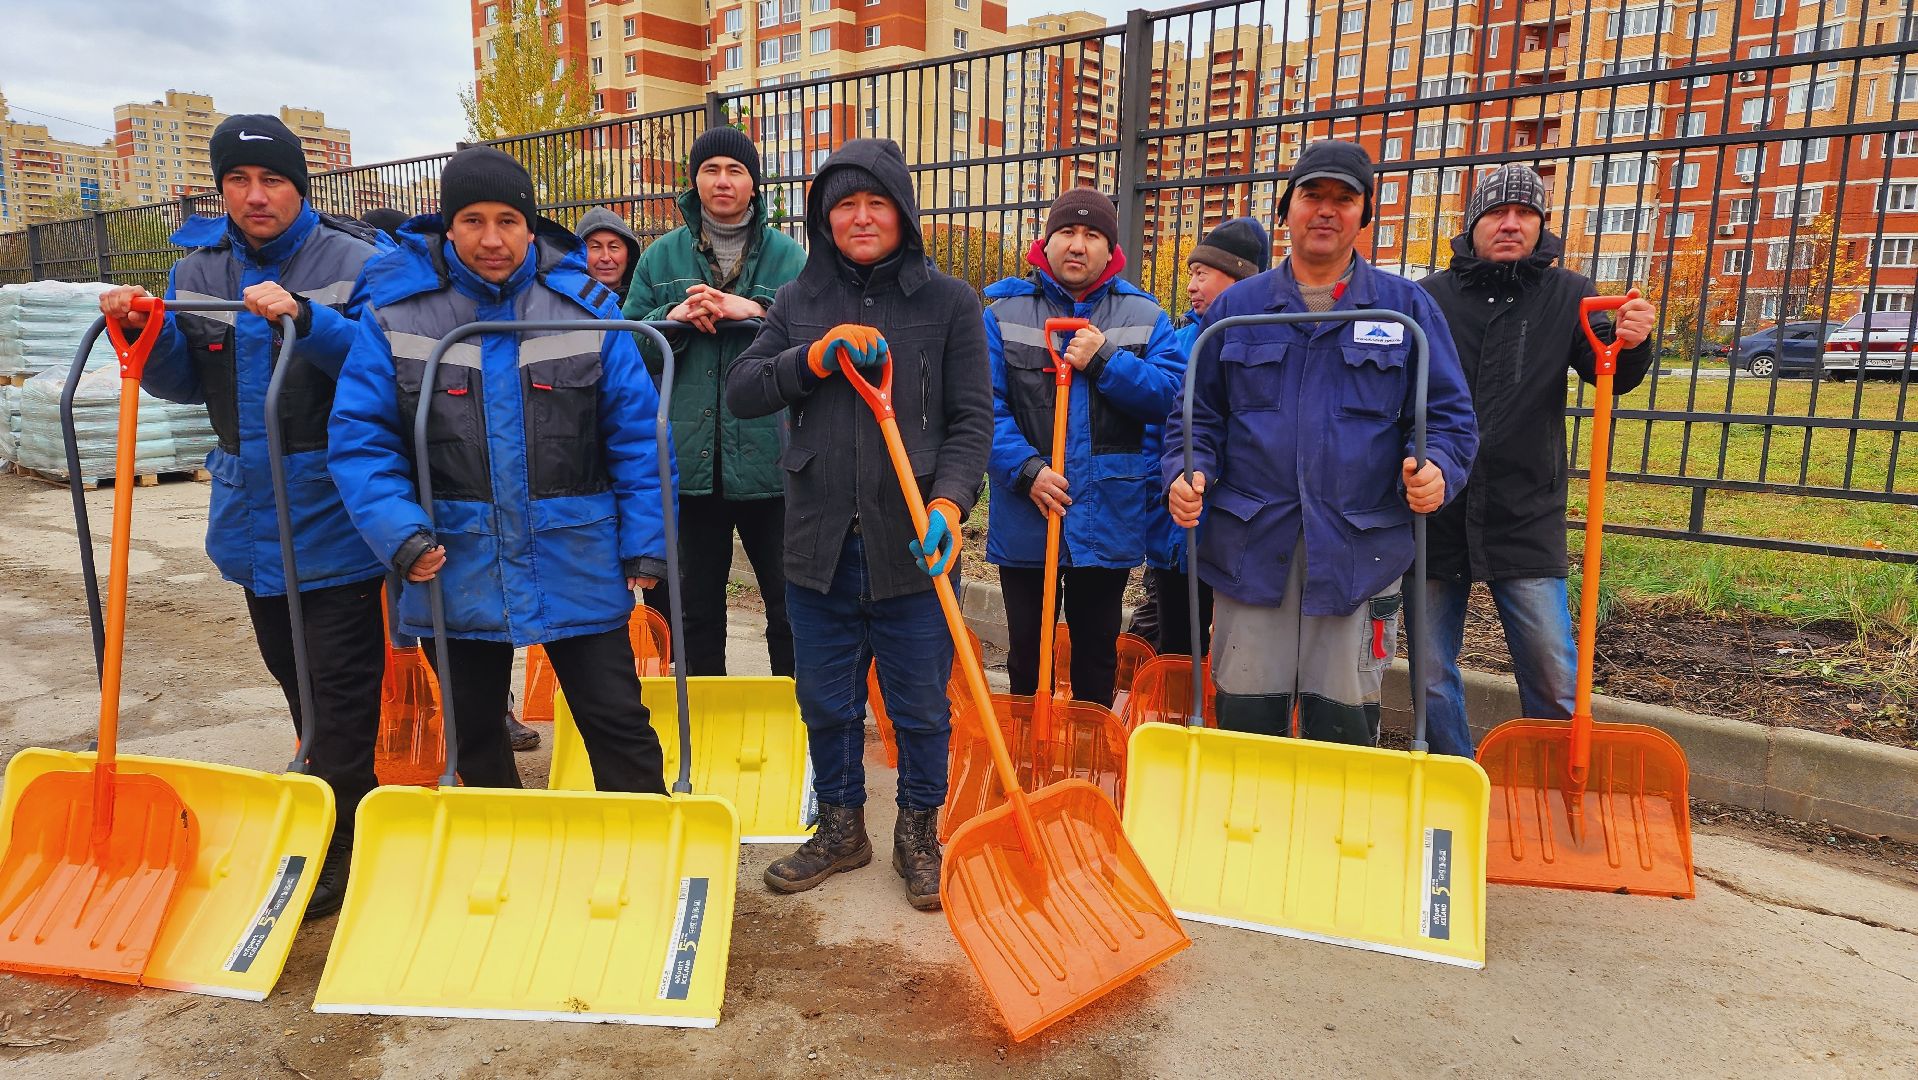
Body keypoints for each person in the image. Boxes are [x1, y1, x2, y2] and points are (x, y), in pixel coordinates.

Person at [98, 113, 389, 919]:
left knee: (339, 682)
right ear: (221, 188)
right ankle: (327, 786)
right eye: (239, 181)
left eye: (272, 181)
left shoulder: (356, 261)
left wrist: (306, 316)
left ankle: (346, 827)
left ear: (301, 186)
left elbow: (385, 364)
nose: (256, 196)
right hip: (249, 509)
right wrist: (141, 330)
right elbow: (184, 380)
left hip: (333, 502)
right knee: (290, 672)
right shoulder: (198, 269)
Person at [329, 146, 672, 795]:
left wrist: (645, 546)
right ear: (448, 225)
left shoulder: (583, 308)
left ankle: (647, 845)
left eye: (508, 221)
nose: (492, 239)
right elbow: (361, 439)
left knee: (616, 718)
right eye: (473, 221)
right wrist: (401, 534)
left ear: (531, 225)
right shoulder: (396, 313)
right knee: (475, 732)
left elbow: (638, 438)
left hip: (578, 554)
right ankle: (505, 857)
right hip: (451, 561)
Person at [727, 138, 991, 911]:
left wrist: (949, 505)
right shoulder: (796, 301)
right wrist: (811, 357)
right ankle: (843, 826)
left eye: (877, 202)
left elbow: (972, 422)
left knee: (918, 704)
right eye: (845, 204)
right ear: (824, 217)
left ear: (904, 213)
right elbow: (746, 390)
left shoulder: (950, 304)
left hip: (913, 542)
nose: (862, 217)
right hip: (816, 542)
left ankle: (919, 831)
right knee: (826, 698)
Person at [1165, 139, 1478, 745]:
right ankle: (1244, 836)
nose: (1327, 210)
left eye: (1345, 198)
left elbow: (1447, 418)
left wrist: (1436, 466)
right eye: (1313, 195)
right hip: (1251, 549)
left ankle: (1333, 840)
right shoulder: (1237, 308)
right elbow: (1194, 418)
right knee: (1246, 719)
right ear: (1288, 208)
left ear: (1365, 215)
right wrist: (1185, 471)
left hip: (1360, 553)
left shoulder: (1405, 309)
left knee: (1343, 723)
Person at [1417, 163, 1655, 757]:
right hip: (1437, 507)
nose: (1511, 224)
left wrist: (1634, 339)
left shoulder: (1569, 296)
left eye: (1525, 213)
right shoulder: (1430, 299)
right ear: (1472, 224)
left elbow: (1612, 373)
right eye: (1497, 213)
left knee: (1552, 669)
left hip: (1525, 509)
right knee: (1426, 670)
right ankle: (1455, 775)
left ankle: (1548, 782)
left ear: (1541, 225)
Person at [983, 188, 1183, 708]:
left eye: (1092, 235)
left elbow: (1167, 397)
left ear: (1110, 249)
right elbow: (983, 409)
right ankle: (1028, 755)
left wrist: (1104, 360)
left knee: (1097, 653)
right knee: (1029, 652)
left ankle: (1089, 758)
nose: (1078, 245)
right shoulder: (1004, 313)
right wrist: (1028, 471)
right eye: (1067, 233)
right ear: (1045, 243)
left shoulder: (1145, 316)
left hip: (1106, 517)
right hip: (1029, 516)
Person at [624, 127, 807, 677]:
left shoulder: (788, 257)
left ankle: (797, 719)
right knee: (693, 607)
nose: (723, 181)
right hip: (689, 465)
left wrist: (749, 311)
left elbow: (810, 343)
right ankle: (702, 718)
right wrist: (670, 323)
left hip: (770, 464)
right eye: (711, 170)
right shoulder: (661, 258)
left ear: (754, 184)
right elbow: (628, 348)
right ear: (695, 181)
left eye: (735, 170)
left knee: (789, 603)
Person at [1130, 216, 1270, 656]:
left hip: (1239, 534)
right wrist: (1163, 489)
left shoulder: (1267, 339)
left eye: (1202, 273)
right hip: (1177, 527)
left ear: (1240, 280)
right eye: (1191, 273)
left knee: (1238, 653)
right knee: (1178, 649)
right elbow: (1159, 431)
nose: (1191, 285)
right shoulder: (1180, 340)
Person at [577, 207, 641, 304]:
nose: (606, 258)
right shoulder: (565, 304)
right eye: (596, 247)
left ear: (629, 255)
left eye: (614, 247)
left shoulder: (646, 302)